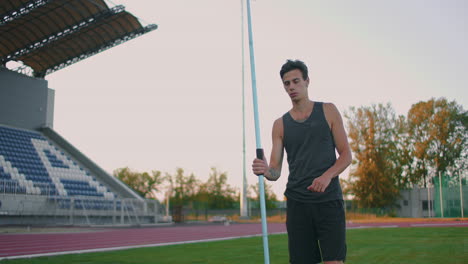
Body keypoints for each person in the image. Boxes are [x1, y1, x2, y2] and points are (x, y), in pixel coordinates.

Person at [252, 59, 352, 264]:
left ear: (307, 81)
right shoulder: (279, 125)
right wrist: (265, 170)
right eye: (287, 84)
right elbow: (275, 171)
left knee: (333, 261)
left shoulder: (328, 110)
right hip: (298, 203)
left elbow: (346, 155)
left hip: (328, 201)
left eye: (296, 81)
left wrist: (326, 176)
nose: (291, 87)